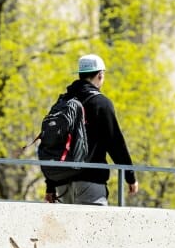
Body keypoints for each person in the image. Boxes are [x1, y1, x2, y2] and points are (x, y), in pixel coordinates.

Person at [46, 54, 138, 205]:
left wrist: (50, 185)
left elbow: (53, 144)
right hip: (90, 181)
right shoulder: (101, 103)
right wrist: (130, 176)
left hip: (61, 184)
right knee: (95, 228)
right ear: (100, 75)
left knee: (66, 229)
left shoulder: (63, 102)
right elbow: (115, 143)